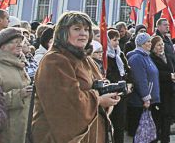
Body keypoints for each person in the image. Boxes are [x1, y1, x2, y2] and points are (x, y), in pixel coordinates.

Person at [32, 11, 120, 142]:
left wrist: (108, 91)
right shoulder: (55, 60)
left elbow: (94, 86)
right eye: (77, 29)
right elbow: (67, 103)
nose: (83, 33)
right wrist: (99, 99)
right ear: (63, 32)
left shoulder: (85, 58)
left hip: (92, 134)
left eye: (86, 29)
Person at [0, 28, 30, 143]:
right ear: (2, 46)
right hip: (7, 129)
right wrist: (19, 95)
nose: (20, 45)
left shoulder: (19, 64)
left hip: (24, 125)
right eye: (14, 42)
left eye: (20, 41)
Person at [126, 32, 159, 137]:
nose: (150, 43)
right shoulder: (137, 58)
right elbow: (140, 80)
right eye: (148, 41)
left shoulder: (146, 56)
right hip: (139, 101)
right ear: (141, 44)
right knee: (138, 132)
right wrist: (146, 97)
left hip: (148, 99)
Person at [149, 36, 175, 142]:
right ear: (153, 47)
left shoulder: (168, 56)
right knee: (158, 119)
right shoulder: (151, 58)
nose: (161, 47)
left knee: (167, 118)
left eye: (162, 44)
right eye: (158, 45)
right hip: (160, 91)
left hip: (171, 91)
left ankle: (166, 139)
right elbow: (155, 73)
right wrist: (169, 75)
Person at [106, 29, 130, 143]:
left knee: (120, 123)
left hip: (122, 93)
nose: (116, 43)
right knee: (109, 124)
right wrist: (118, 84)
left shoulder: (119, 54)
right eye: (114, 40)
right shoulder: (106, 56)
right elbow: (109, 74)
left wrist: (129, 82)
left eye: (118, 40)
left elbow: (127, 69)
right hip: (110, 94)